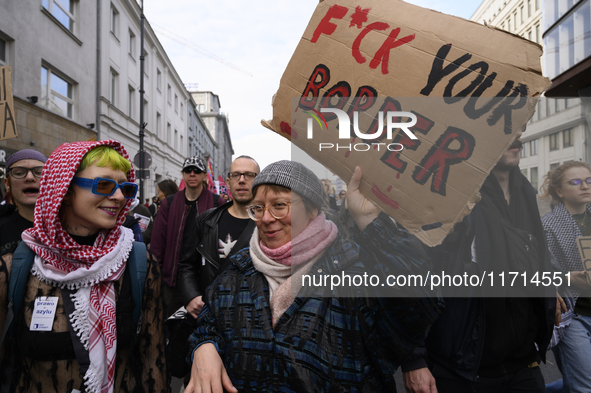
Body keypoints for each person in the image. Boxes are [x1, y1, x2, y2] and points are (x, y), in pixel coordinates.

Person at [185, 160, 442, 393]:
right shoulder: (238, 269)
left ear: (312, 210)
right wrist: (204, 346)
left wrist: (372, 223)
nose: (265, 218)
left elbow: (420, 306)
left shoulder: (353, 270)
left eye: (279, 206)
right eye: (259, 208)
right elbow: (209, 325)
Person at [0, 140, 166, 392]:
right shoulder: (15, 266)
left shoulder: (137, 260)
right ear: (64, 190)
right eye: (104, 184)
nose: (120, 196)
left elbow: (152, 362)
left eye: (125, 187)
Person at [416, 130, 558, 393]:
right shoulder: (451, 195)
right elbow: (416, 275)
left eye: (518, 128)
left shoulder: (525, 191)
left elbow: (535, 258)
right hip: (463, 369)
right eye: (504, 130)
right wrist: (414, 360)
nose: (515, 136)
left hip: (523, 363)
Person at [179, 155, 260, 319]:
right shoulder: (206, 221)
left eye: (249, 175)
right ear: (228, 182)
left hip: (253, 319)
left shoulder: (269, 223)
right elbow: (187, 265)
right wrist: (191, 295)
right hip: (211, 315)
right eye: (236, 175)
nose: (242, 180)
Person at [151, 155, 226, 317]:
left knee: (201, 329)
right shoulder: (169, 203)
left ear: (204, 175)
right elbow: (158, 243)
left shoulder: (216, 202)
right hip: (172, 281)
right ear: (183, 174)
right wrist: (159, 276)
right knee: (171, 328)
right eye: (188, 170)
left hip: (204, 282)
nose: (192, 174)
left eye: (197, 171)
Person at [540, 161, 591, 393]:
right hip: (573, 315)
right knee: (583, 385)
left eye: (589, 181)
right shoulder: (548, 225)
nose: (585, 186)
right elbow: (541, 271)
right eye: (576, 182)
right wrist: (568, 277)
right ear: (559, 191)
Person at [0, 149, 47, 256]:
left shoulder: (70, 226)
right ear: (7, 183)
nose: (29, 178)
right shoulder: (2, 224)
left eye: (39, 172)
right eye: (19, 173)